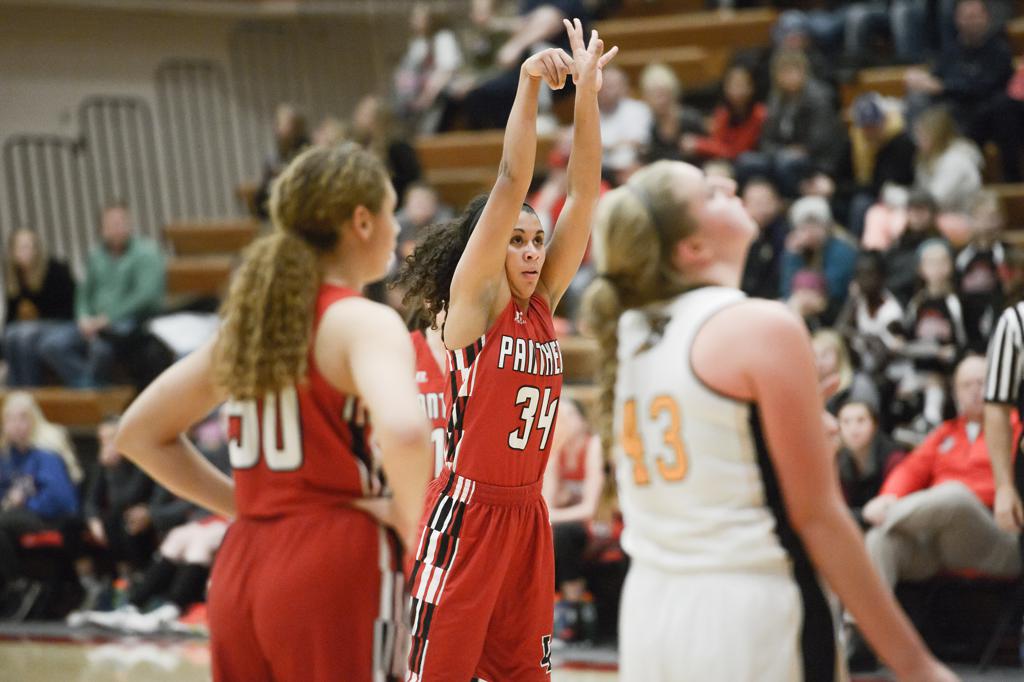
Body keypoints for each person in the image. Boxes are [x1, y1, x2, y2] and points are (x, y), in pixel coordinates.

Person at [579, 159, 956, 681]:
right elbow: (818, 518)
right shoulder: (758, 326)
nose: (729, 186)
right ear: (692, 248)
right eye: (710, 194)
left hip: (649, 617)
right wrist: (917, 666)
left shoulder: (631, 330)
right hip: (748, 615)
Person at [113, 141, 432, 682]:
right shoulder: (363, 321)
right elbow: (404, 431)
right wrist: (409, 525)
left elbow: (138, 433)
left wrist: (248, 506)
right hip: (334, 560)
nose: (397, 226)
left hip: (244, 564)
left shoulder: (253, 329)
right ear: (360, 220)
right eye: (390, 209)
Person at [396, 22, 613, 680]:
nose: (528, 250)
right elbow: (513, 178)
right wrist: (525, 84)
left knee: (527, 675)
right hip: (465, 515)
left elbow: (582, 194)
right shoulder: (476, 303)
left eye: (535, 241)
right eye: (514, 239)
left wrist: (586, 101)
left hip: (528, 520)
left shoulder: (543, 303)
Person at [855, 356, 1021, 666]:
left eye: (982, 382)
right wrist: (889, 494)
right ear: (955, 392)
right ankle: (868, 637)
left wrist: (888, 506)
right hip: (942, 540)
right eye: (967, 385)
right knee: (881, 539)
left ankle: (860, 519)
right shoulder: (945, 434)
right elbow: (909, 470)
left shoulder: (1017, 428)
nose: (975, 391)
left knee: (954, 495)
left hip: (998, 540)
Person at [39, 201, 166, 388]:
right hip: (93, 323)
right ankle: (89, 389)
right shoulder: (95, 254)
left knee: (101, 348)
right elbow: (83, 293)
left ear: (129, 224)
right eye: (111, 223)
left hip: (131, 321)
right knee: (51, 345)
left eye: (121, 222)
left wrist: (107, 319)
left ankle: (91, 391)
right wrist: (83, 318)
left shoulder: (147, 252)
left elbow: (145, 296)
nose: (117, 228)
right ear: (102, 228)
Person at [0, 392, 78, 602]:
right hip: (13, 520)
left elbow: (62, 500)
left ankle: (16, 583)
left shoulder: (47, 455)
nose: (16, 424)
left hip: (47, 518)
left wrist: (26, 502)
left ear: (34, 420)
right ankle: (11, 581)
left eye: (23, 418)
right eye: (11, 418)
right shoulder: (6, 457)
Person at [3, 229, 76, 387]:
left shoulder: (55, 270)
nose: (25, 251)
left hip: (62, 323)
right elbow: (10, 318)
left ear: (37, 249)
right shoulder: (15, 277)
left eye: (29, 246)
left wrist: (34, 323)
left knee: (24, 334)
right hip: (33, 328)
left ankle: (31, 387)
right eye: (20, 247)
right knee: (10, 334)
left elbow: (67, 310)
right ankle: (15, 388)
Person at [837, 401, 905, 528]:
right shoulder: (837, 459)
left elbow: (895, 504)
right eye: (846, 422)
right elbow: (837, 511)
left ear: (874, 425)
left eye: (861, 420)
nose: (853, 429)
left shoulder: (894, 458)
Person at [687, 63, 766, 164]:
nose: (737, 91)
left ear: (751, 88)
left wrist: (698, 144)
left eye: (741, 85)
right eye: (733, 85)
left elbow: (738, 151)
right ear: (726, 88)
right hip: (725, 161)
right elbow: (716, 143)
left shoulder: (759, 114)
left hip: (748, 164)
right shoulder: (723, 112)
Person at [739, 177, 789, 300]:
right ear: (743, 204)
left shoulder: (785, 233)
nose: (763, 208)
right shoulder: (734, 233)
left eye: (767, 201)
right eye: (757, 203)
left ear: (778, 203)